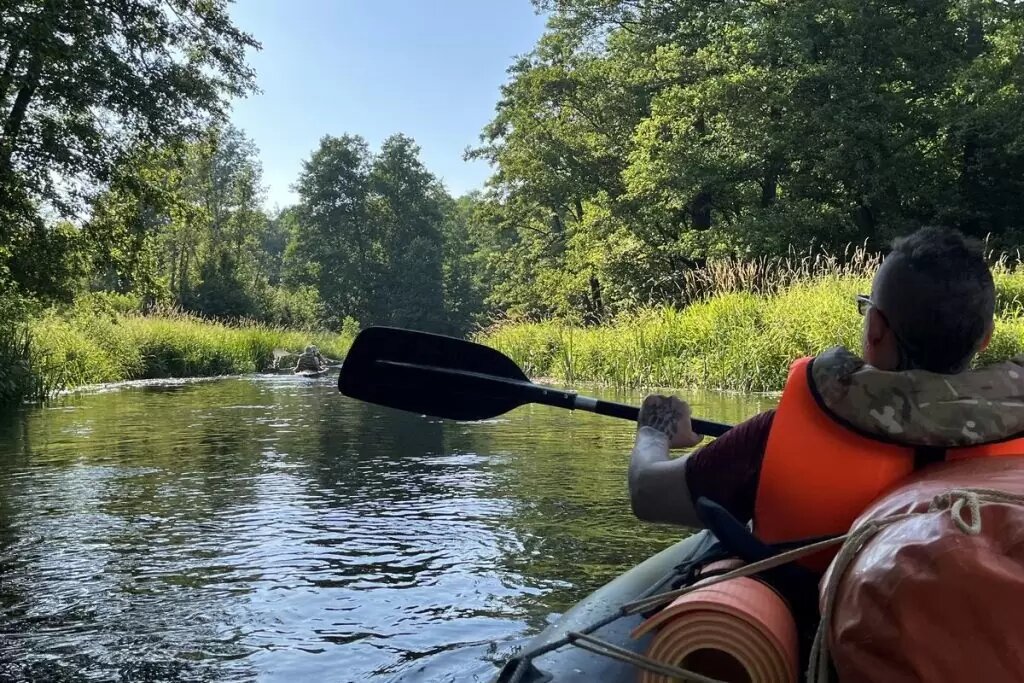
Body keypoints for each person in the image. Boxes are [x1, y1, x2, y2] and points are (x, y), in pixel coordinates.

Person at [628, 224, 1024, 564]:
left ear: (876, 330)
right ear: (985, 337)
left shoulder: (778, 435)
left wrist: (655, 430)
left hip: (798, 635)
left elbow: (648, 492)